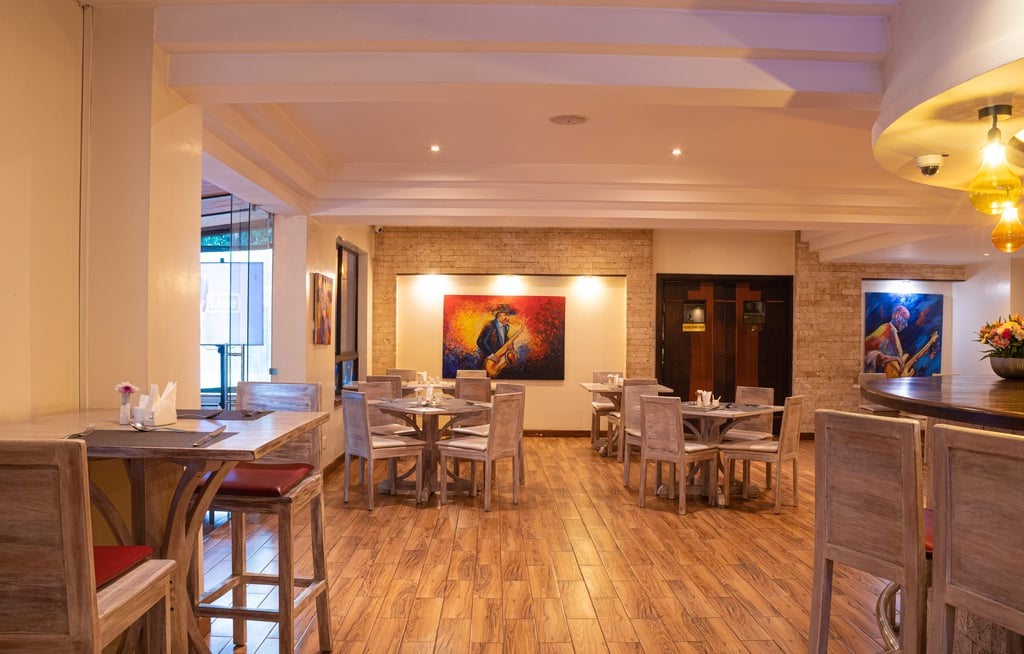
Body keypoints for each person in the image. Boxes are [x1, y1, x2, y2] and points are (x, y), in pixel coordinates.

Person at [864, 305, 909, 375]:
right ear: (896, 316)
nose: (906, 325)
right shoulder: (885, 329)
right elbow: (866, 349)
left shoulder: (893, 333)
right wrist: (894, 359)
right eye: (904, 320)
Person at [477, 303, 519, 374]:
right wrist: (491, 356)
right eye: (505, 315)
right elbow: (480, 342)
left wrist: (509, 345)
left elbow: (503, 340)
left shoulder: (506, 326)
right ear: (498, 314)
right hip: (488, 361)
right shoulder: (490, 325)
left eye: (508, 315)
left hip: (497, 361)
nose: (507, 318)